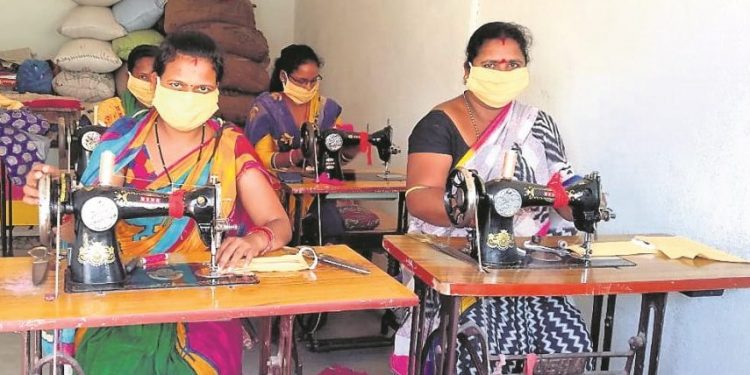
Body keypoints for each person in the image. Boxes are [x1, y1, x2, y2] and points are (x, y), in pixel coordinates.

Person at [23, 31, 291, 374]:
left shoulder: (229, 146)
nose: (189, 96)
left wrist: (255, 240)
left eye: (202, 89)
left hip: (202, 292)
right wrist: (54, 199)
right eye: (177, 85)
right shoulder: (123, 141)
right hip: (121, 288)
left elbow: (279, 223)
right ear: (156, 83)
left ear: (217, 93)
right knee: (114, 365)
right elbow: (83, 223)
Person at [392, 22, 592, 374]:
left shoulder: (537, 124)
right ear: (468, 69)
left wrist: (580, 201)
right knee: (483, 341)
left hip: (527, 266)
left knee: (572, 341)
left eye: (512, 65)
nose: (502, 72)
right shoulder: (438, 125)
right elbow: (420, 198)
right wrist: (483, 212)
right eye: (490, 64)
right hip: (452, 258)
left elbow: (560, 187)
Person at [244, 44, 357, 244]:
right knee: (281, 237)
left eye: (314, 81)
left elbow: (337, 148)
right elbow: (257, 158)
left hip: (314, 192)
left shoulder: (325, 108)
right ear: (283, 77)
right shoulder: (265, 108)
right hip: (273, 192)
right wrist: (294, 156)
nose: (308, 87)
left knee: (331, 228)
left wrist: (350, 148)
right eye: (302, 81)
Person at [94, 45, 160, 125]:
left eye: (157, 77)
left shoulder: (172, 114)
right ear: (130, 77)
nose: (151, 82)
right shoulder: (112, 109)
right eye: (143, 77)